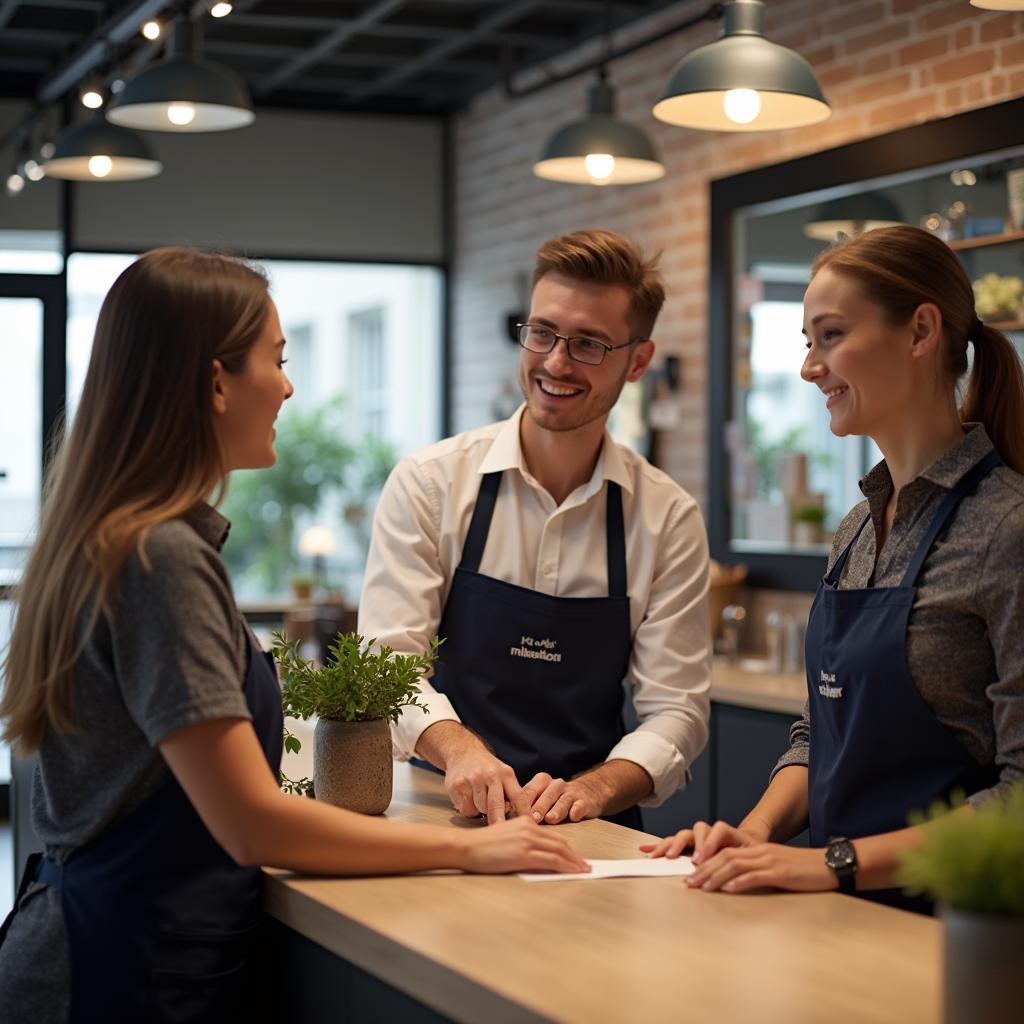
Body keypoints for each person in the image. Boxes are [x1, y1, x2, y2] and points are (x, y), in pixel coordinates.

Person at [0, 248, 587, 1023]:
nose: (288, 385)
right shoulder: (160, 557)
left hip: (104, 950)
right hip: (116, 972)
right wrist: (466, 849)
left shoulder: (115, 537)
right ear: (216, 382)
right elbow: (251, 823)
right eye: (276, 359)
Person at [643, 225, 1024, 912]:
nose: (809, 367)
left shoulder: (1006, 531)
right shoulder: (855, 528)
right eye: (807, 342)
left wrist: (833, 864)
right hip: (840, 910)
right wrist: (753, 834)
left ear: (920, 332)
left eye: (830, 336)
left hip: (958, 931)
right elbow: (822, 731)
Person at [358, 229, 712, 830]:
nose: (555, 362)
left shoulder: (667, 517)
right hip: (440, 813)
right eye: (542, 332)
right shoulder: (431, 484)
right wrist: (462, 750)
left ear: (639, 361)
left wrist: (596, 789)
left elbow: (677, 711)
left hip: (590, 827)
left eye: (589, 344)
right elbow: (387, 667)